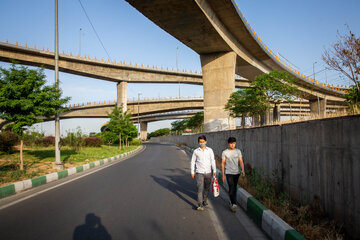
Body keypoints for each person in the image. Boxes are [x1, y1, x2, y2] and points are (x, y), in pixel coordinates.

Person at [191, 135, 216, 211]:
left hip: (208, 172)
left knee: (207, 188)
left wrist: (214, 170)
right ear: (198, 142)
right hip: (199, 172)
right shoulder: (196, 151)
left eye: (203, 142)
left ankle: (204, 200)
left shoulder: (210, 150)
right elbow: (193, 162)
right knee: (199, 188)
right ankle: (200, 204)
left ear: (206, 142)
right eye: (200, 142)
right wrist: (192, 171)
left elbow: (212, 160)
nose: (202, 143)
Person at [221, 137, 245, 212]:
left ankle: (231, 202)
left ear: (235, 143)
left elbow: (241, 161)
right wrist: (223, 175)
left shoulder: (238, 151)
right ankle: (234, 203)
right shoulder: (225, 152)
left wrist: (242, 170)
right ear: (228, 144)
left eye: (234, 143)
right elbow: (222, 164)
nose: (232, 145)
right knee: (231, 187)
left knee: (234, 188)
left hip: (237, 172)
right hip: (228, 172)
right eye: (231, 143)